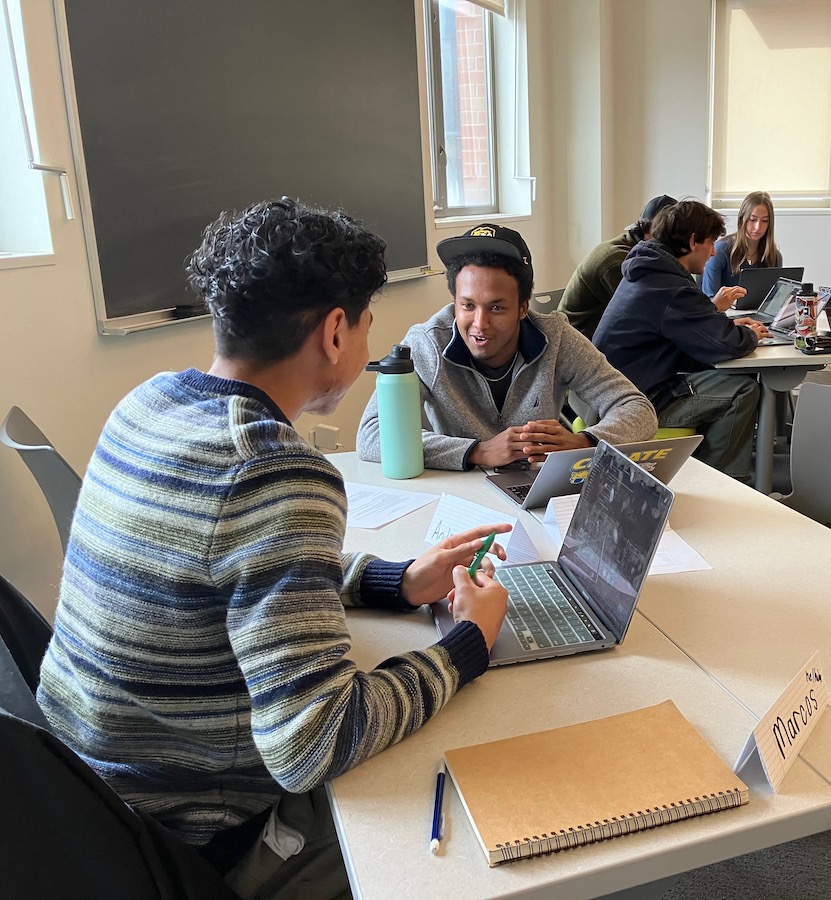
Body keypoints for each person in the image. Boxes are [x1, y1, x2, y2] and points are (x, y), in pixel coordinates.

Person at [36, 198, 512, 900]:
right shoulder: (274, 474)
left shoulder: (149, 402)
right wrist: (468, 644)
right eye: (368, 323)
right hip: (195, 834)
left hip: (84, 796)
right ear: (334, 332)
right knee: (465, 821)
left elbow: (220, 570)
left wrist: (394, 580)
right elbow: (314, 744)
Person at [357, 224, 657, 471]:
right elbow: (371, 436)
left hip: (536, 489)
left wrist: (585, 442)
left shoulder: (558, 338)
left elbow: (639, 410)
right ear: (454, 304)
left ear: (523, 308)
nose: (480, 323)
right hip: (459, 495)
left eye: (497, 308)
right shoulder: (426, 343)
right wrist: (477, 451)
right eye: (467, 306)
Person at [593, 199, 769, 481]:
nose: (713, 252)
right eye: (710, 243)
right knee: (742, 391)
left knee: (724, 380)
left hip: (611, 394)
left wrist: (727, 325)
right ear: (692, 241)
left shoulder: (649, 270)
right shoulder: (670, 286)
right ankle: (722, 482)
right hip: (635, 403)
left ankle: (703, 466)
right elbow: (725, 344)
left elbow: (692, 329)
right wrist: (750, 334)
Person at [557, 194, 678, 339]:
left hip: (600, 337)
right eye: (667, 231)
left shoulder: (641, 252)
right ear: (647, 231)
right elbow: (646, 314)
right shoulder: (619, 261)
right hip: (578, 343)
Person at [701, 190, 783, 308]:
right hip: (724, 317)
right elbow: (709, 298)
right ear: (741, 219)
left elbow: (775, 302)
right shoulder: (721, 250)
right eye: (752, 219)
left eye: (764, 221)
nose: (757, 227)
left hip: (758, 318)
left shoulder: (774, 256)